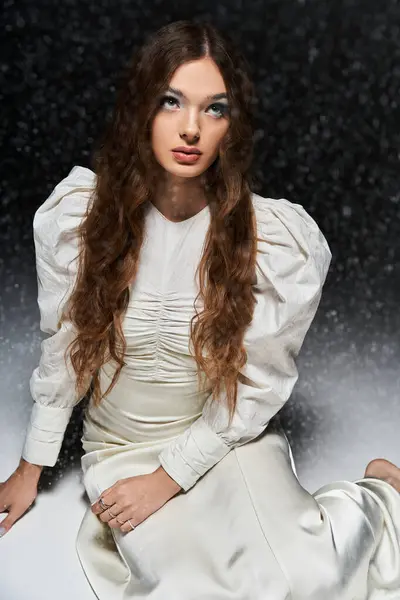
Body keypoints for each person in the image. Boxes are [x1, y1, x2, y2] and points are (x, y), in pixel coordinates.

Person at [1, 19, 399, 600]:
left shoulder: (268, 239)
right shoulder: (83, 218)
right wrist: (31, 468)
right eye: (171, 102)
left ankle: (381, 498)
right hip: (122, 448)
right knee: (191, 588)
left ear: (231, 126)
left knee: (300, 579)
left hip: (222, 440)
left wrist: (167, 480)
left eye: (215, 109)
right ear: (141, 109)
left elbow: (251, 392)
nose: (191, 128)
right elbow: (66, 349)